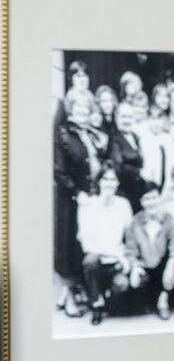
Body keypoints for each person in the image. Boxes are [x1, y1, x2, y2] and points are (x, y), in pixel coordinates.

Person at [54, 89, 107, 318]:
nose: (83, 110)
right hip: (71, 200)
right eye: (78, 106)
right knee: (68, 245)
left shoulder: (90, 133)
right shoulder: (63, 133)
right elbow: (59, 170)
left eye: (86, 106)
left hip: (90, 198)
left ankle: (77, 291)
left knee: (83, 245)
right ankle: (68, 296)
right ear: (71, 109)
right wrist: (77, 192)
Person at [76, 163, 133, 325]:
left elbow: (129, 236)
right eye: (105, 179)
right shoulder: (88, 205)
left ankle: (107, 299)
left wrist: (126, 257)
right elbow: (85, 241)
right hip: (98, 260)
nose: (109, 183)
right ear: (99, 182)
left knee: (122, 285)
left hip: (116, 261)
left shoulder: (123, 204)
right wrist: (116, 254)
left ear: (118, 183)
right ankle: (96, 304)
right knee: (90, 261)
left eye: (113, 179)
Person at [123, 185, 174, 320]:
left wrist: (171, 263)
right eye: (147, 199)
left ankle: (163, 300)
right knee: (136, 290)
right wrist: (135, 266)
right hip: (145, 266)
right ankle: (149, 300)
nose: (151, 203)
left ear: (160, 199)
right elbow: (130, 248)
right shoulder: (135, 222)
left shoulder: (168, 218)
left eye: (154, 198)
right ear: (141, 202)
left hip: (162, 266)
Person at [107, 101, 147, 210]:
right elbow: (117, 167)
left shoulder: (135, 136)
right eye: (123, 117)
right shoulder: (114, 138)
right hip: (124, 191)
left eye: (129, 117)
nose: (127, 120)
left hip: (137, 191)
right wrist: (139, 172)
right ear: (117, 118)